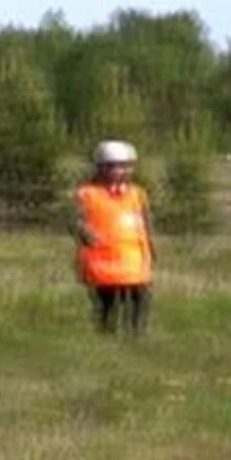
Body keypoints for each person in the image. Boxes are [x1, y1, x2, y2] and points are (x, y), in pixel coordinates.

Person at [73, 139, 155, 336]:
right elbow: (75, 220)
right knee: (107, 304)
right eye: (114, 166)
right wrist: (82, 230)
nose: (120, 171)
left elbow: (145, 223)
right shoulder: (87, 194)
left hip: (134, 259)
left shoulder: (138, 194)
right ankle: (106, 338)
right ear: (101, 168)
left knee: (140, 299)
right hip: (102, 263)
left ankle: (136, 336)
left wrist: (152, 248)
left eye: (125, 166)